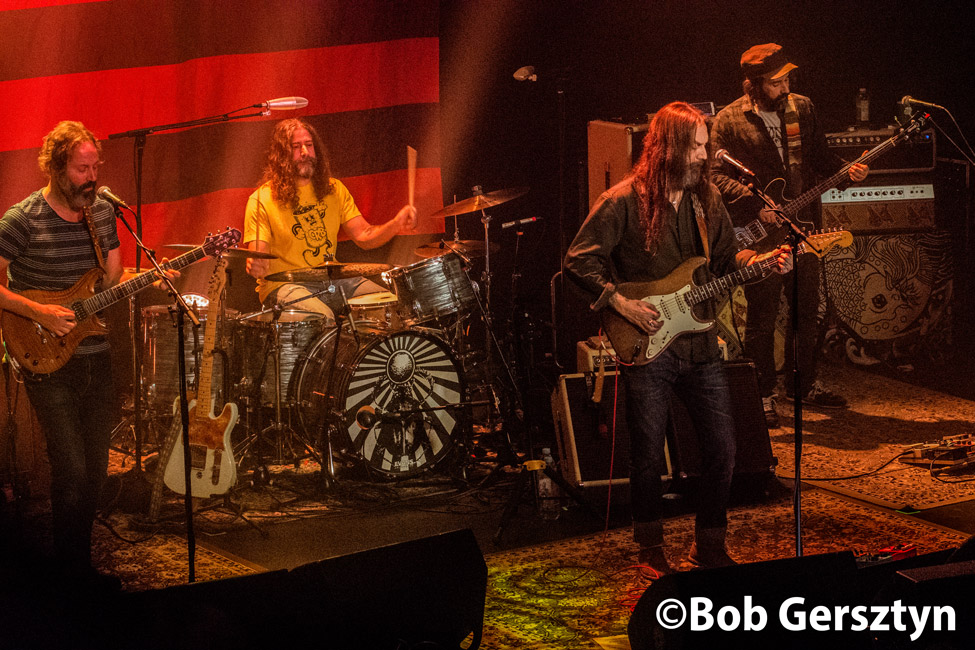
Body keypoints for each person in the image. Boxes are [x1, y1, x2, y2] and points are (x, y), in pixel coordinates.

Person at [564, 102, 792, 575]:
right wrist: (622, 304)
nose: (704, 157)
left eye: (707, 147)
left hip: (700, 346)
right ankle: (650, 548)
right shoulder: (622, 201)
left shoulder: (706, 199)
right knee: (647, 456)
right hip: (646, 344)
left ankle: (708, 544)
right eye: (696, 147)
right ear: (668, 147)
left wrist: (763, 263)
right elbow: (578, 261)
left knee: (723, 450)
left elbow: (728, 262)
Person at [0, 121, 153, 585]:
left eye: (95, 167)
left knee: (95, 472)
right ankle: (65, 579)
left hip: (96, 356)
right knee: (71, 471)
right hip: (46, 358)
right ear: (56, 167)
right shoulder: (21, 219)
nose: (91, 176)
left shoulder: (101, 213)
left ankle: (76, 569)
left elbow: (107, 282)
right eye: (81, 168)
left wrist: (117, 259)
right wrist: (39, 312)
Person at [710, 43, 869, 427]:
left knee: (805, 314)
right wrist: (753, 203)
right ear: (754, 84)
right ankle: (762, 395)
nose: (784, 86)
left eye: (786, 79)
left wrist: (847, 172)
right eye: (775, 82)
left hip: (803, 227)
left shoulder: (803, 107)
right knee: (762, 319)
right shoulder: (729, 120)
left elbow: (819, 158)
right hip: (762, 234)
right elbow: (714, 176)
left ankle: (804, 385)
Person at [244, 118, 417, 319]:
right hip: (283, 285)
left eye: (309, 145)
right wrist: (256, 263)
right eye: (296, 147)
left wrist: (396, 223)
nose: (305, 153)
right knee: (322, 317)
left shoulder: (334, 189)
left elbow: (364, 235)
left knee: (386, 305)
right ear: (281, 155)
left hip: (331, 280)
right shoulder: (262, 199)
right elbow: (259, 254)